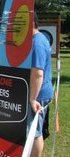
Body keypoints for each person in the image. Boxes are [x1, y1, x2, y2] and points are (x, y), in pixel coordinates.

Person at [28, 13, 53, 157]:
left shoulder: (37, 42)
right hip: (40, 92)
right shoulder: (39, 39)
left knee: (35, 132)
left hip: (39, 95)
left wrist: (32, 99)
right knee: (35, 130)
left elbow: (38, 73)